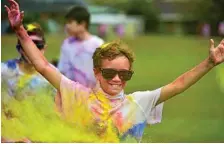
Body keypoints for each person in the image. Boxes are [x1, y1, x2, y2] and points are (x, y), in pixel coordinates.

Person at [4, 0, 224, 142]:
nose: (117, 79)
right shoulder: (77, 95)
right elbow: (42, 66)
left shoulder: (139, 102)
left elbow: (178, 85)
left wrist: (209, 63)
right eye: (110, 73)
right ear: (97, 72)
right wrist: (20, 31)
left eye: (125, 74)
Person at [1, 22, 56, 100]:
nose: (32, 52)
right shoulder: (3, 71)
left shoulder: (53, 75)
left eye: (38, 46)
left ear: (44, 48)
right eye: (26, 47)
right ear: (19, 48)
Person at [57, 5, 104, 88]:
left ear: (82, 24)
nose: (67, 26)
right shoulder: (67, 44)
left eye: (70, 22)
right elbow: (62, 70)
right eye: (67, 22)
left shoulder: (97, 44)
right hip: (71, 94)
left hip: (93, 94)